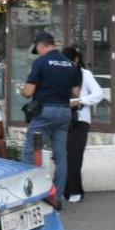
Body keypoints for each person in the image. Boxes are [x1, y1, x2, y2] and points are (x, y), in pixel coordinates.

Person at [19, 31, 80, 208]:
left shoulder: (41, 63)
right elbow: (76, 93)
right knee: (61, 158)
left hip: (45, 112)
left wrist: (23, 89)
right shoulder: (70, 64)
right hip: (64, 113)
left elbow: (29, 92)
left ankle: (28, 196)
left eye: (37, 49)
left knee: (30, 153)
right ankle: (57, 197)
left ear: (41, 46)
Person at [61, 47, 103, 203]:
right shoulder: (63, 75)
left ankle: (75, 191)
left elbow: (98, 94)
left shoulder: (85, 74)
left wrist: (80, 101)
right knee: (63, 156)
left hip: (80, 120)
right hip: (63, 119)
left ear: (76, 60)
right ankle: (66, 190)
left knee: (74, 156)